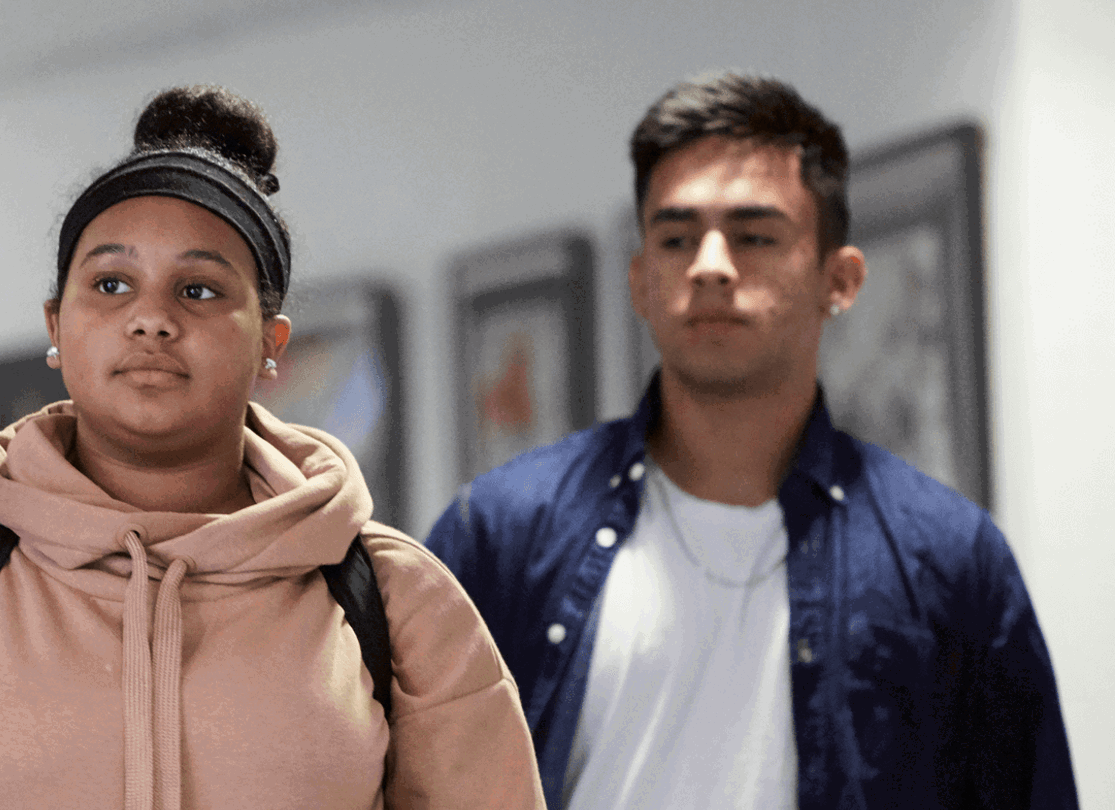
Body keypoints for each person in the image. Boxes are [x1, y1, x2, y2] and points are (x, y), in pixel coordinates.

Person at [0, 85, 541, 809]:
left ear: (270, 344)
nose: (150, 319)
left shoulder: (399, 600)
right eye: (111, 285)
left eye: (199, 290)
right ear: (55, 327)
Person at [426, 71, 1077, 809]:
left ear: (842, 278)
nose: (709, 265)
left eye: (754, 235)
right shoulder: (502, 532)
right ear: (641, 281)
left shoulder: (953, 561)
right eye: (676, 238)